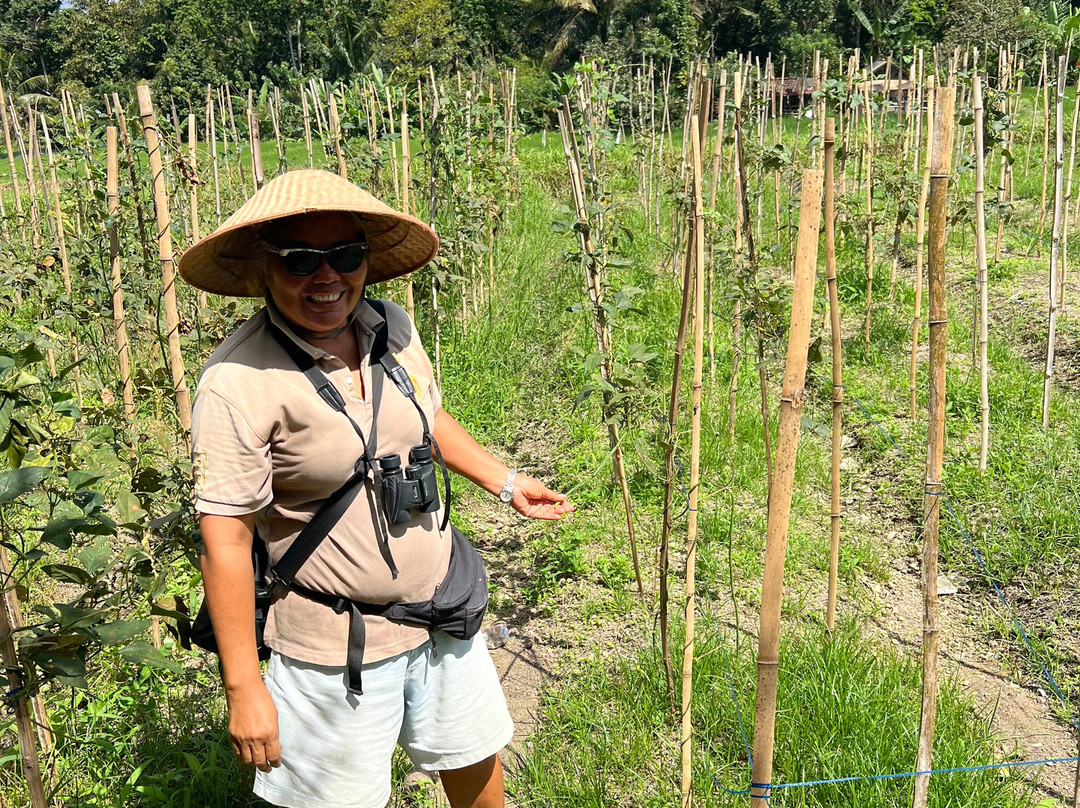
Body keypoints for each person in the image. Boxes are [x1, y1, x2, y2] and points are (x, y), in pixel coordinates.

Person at [178, 169, 574, 808]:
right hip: (335, 647)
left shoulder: (391, 325)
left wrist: (505, 484)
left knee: (472, 756)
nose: (327, 277)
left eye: (345, 255)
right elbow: (224, 544)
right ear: (264, 269)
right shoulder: (238, 382)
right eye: (301, 260)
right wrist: (244, 689)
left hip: (443, 607)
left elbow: (426, 416)